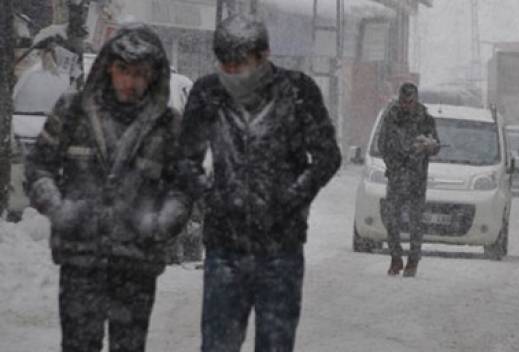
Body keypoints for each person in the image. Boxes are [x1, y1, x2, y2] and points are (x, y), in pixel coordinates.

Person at [177, 15, 341, 351]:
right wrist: (211, 196)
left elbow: (327, 156)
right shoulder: (208, 93)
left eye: (241, 64)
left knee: (276, 344)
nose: (233, 73)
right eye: (226, 65)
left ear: (264, 56)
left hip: (281, 247)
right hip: (225, 246)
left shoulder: (298, 92)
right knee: (219, 344)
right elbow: (184, 158)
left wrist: (292, 197)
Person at [25, 24, 192, 351]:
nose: (131, 82)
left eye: (141, 74)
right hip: (80, 259)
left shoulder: (167, 126)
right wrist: (59, 208)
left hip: (136, 265)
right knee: (78, 346)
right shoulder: (73, 111)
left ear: (153, 76)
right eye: (124, 70)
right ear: (108, 68)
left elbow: (183, 189)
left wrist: (158, 223)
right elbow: (38, 166)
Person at [378, 82, 440, 277]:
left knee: (415, 222)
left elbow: (436, 146)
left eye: (409, 101)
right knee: (392, 220)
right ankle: (396, 258)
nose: (406, 105)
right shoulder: (391, 117)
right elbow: (382, 144)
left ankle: (413, 261)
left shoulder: (426, 119)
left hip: (417, 177)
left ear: (416, 99)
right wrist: (393, 165)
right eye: (403, 101)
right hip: (396, 176)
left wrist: (429, 146)